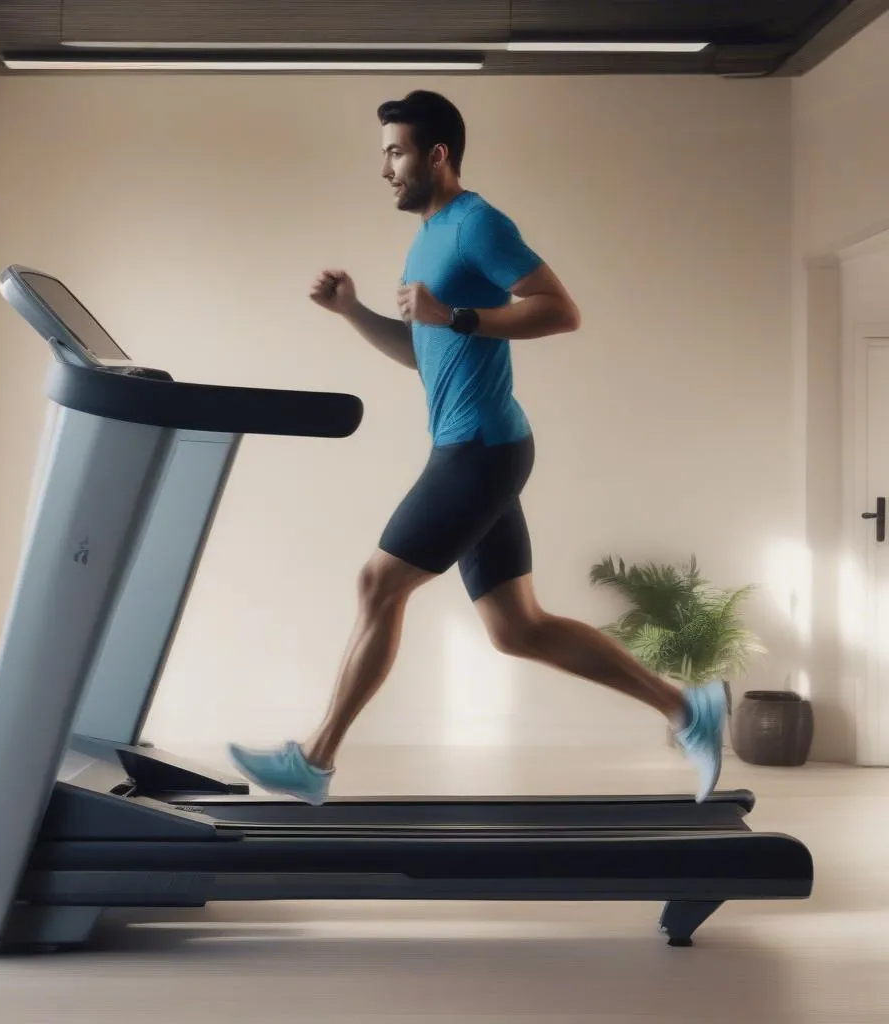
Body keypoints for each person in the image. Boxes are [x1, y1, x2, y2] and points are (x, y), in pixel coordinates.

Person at [228, 90, 726, 805]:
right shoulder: (427, 237)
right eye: (383, 155)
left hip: (480, 450)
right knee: (517, 628)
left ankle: (315, 759)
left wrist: (456, 313)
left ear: (437, 155)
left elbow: (561, 310)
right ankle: (687, 710)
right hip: (478, 446)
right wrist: (353, 312)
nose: (386, 170)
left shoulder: (478, 225)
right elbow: (425, 352)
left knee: (377, 583)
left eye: (396, 153)